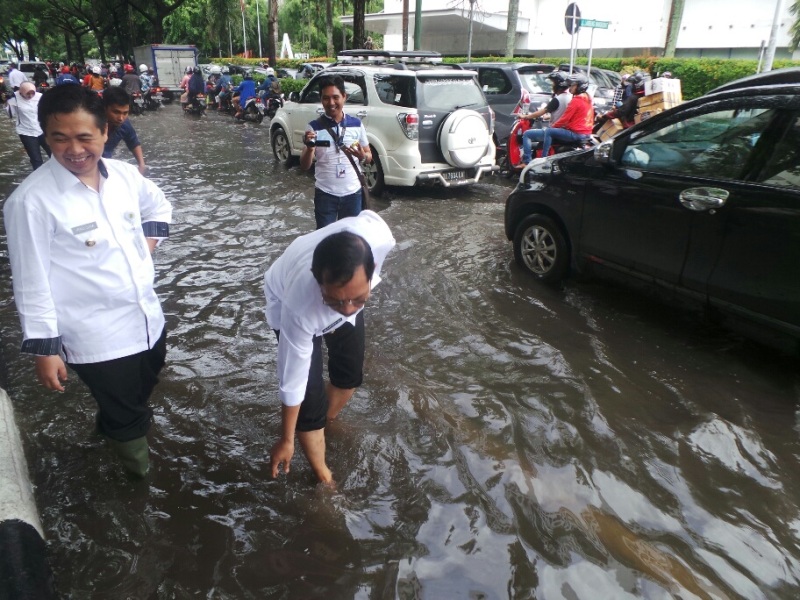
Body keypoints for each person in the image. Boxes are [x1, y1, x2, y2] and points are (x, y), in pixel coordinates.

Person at [3, 84, 172, 478]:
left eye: (84, 137)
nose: (73, 150)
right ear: (44, 136)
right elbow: (31, 280)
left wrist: (147, 247)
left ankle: (107, 431)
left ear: (105, 133)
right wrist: (45, 349)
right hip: (95, 336)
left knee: (133, 399)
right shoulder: (31, 201)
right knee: (129, 414)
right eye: (59, 138)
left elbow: (159, 204)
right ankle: (138, 482)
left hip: (148, 320)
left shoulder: (126, 177)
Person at [263, 210, 395, 484]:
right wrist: (286, 439)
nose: (347, 311)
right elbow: (292, 381)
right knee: (307, 403)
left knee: (349, 376)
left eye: (359, 299)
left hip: (339, 286)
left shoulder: (380, 239)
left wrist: (350, 302)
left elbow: (367, 214)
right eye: (336, 302)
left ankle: (327, 420)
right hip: (285, 292)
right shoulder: (299, 306)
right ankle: (323, 475)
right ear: (318, 283)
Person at [301, 75, 372, 229]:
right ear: (321, 99)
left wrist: (362, 156)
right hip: (326, 195)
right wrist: (310, 148)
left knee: (351, 241)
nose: (331, 103)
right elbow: (305, 166)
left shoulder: (356, 124)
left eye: (336, 97)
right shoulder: (313, 128)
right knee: (326, 241)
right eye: (326, 98)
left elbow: (369, 156)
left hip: (353, 194)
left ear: (344, 97)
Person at [519, 71, 573, 165]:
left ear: (558, 85)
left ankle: (526, 162)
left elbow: (541, 112)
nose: (552, 86)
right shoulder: (570, 97)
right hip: (566, 131)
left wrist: (525, 116)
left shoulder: (558, 99)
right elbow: (562, 113)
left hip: (555, 131)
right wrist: (548, 116)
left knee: (527, 134)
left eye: (553, 83)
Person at [539, 73, 595, 158]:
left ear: (580, 86)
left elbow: (565, 119)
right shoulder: (588, 98)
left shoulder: (576, 100)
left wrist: (553, 127)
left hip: (577, 133)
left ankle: (543, 158)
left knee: (549, 131)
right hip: (586, 133)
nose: (570, 88)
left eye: (572, 85)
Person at [5, 81, 51, 170]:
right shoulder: (14, 98)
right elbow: (10, 115)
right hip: (26, 132)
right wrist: (6, 102)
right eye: (27, 94)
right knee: (36, 159)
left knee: (54, 154)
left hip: (42, 130)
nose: (30, 96)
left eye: (32, 93)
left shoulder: (40, 96)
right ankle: (39, 178)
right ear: (21, 92)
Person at [102, 86, 147, 174]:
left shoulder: (124, 125)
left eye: (125, 113)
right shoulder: (91, 122)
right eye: (116, 112)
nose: (121, 118)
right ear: (104, 108)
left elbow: (133, 142)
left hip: (105, 164)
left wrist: (141, 165)